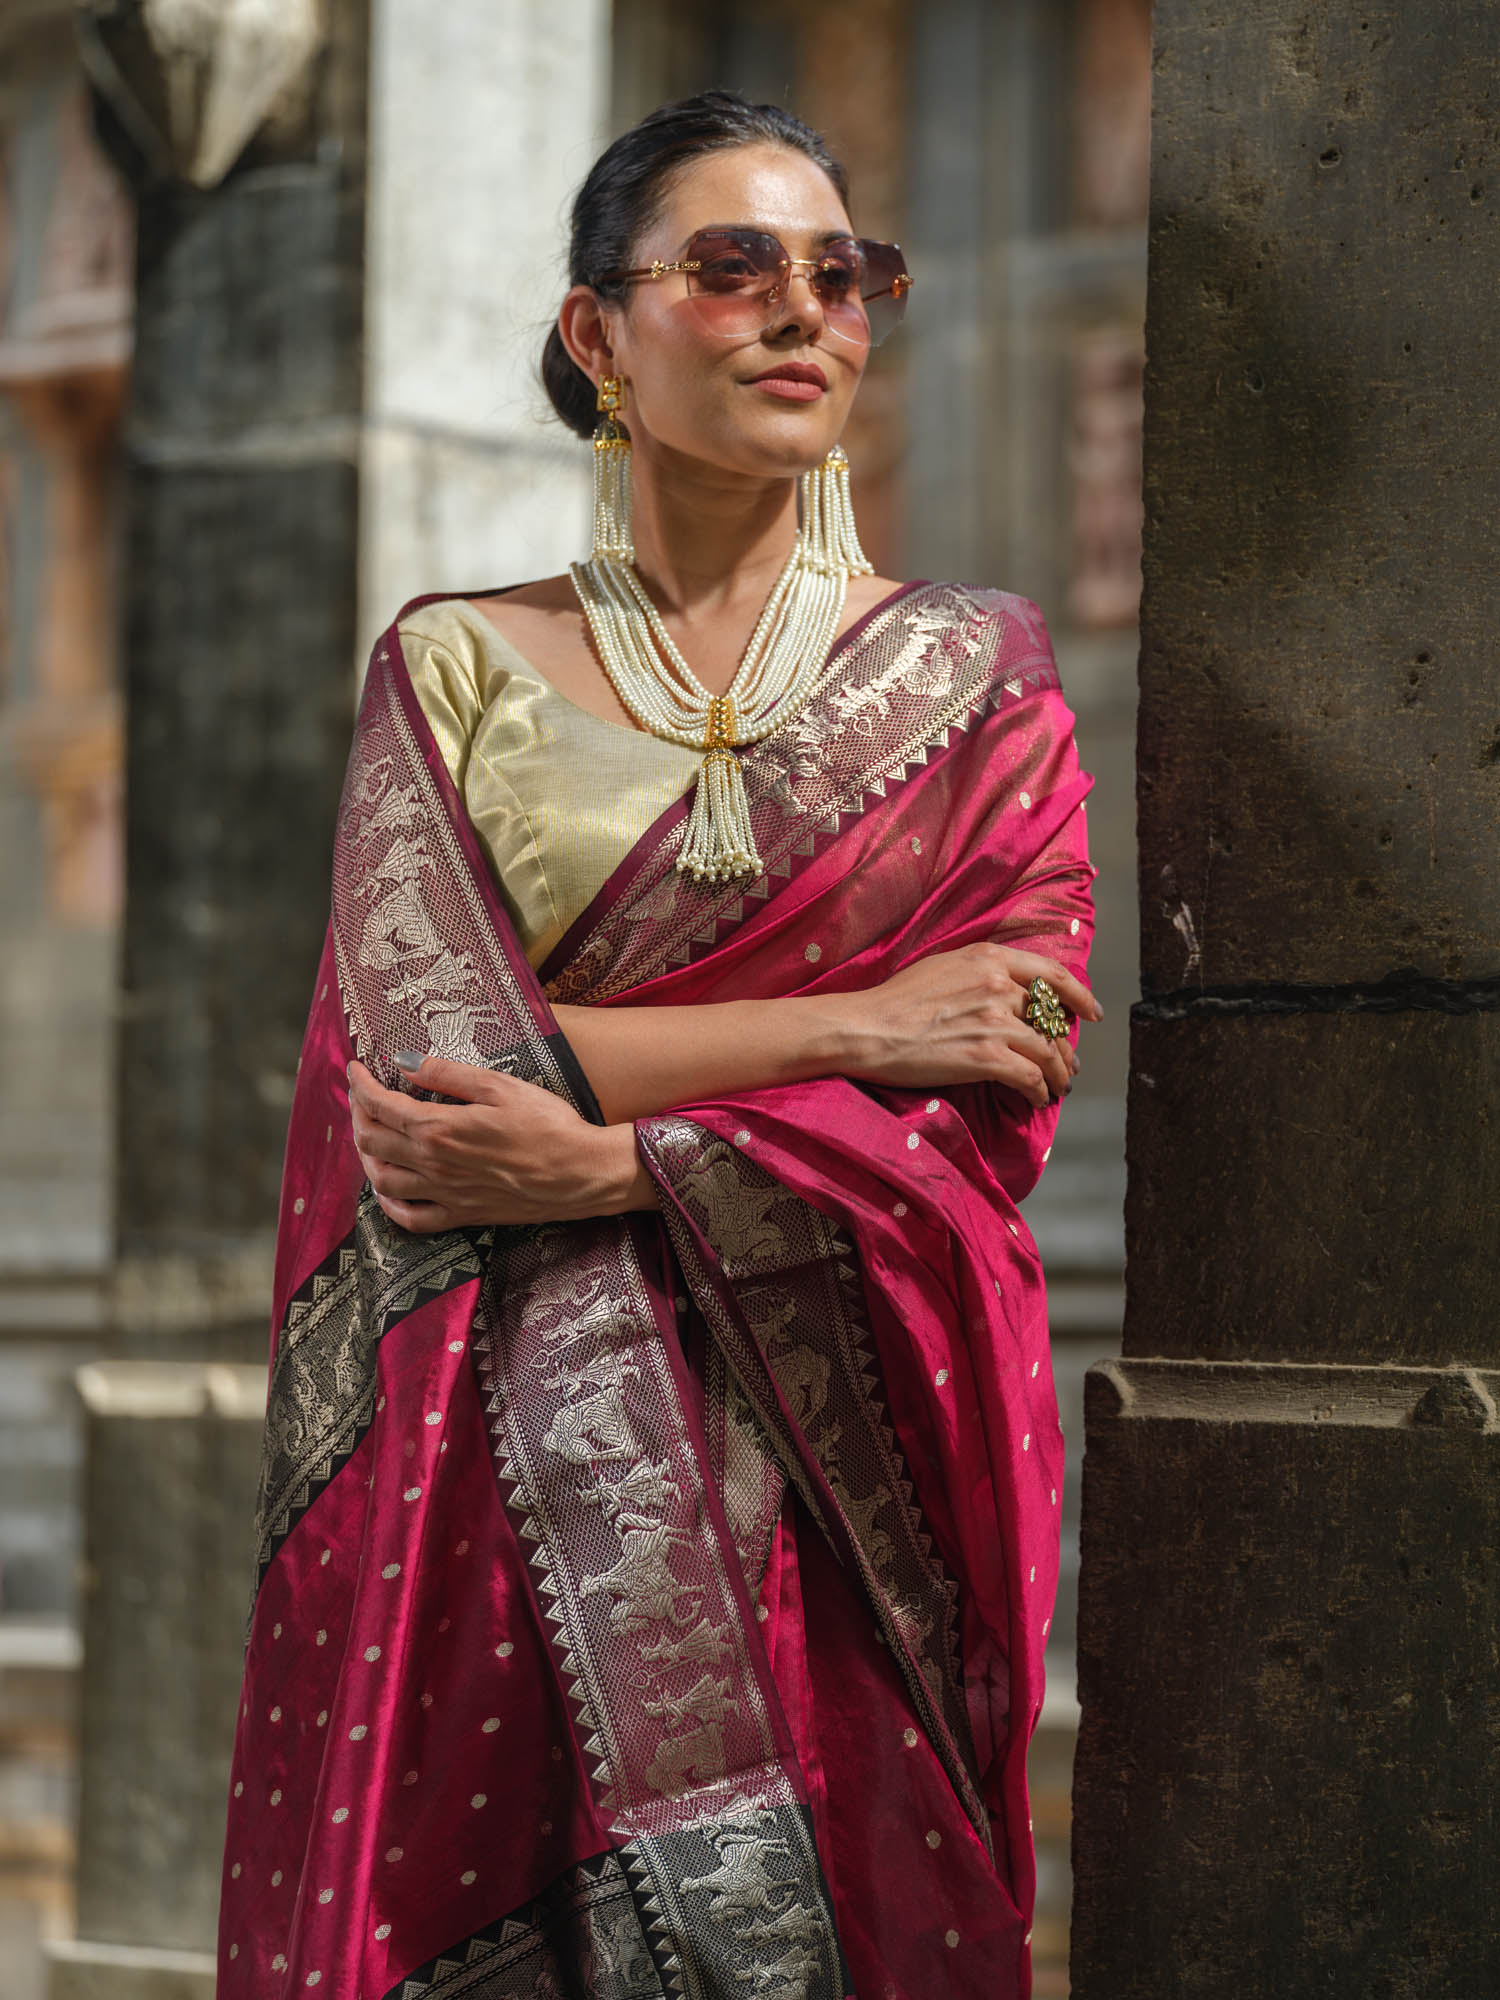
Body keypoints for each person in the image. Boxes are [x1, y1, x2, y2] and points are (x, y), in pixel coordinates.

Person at [217, 90, 1098, 2000]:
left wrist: (618, 1146)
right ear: (596, 334)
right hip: (506, 1469)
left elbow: (1014, 1048)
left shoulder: (976, 673)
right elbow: (436, 1088)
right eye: (733, 269)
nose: (806, 314)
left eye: (841, 274)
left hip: (846, 1449)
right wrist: (861, 1019)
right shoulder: (455, 662)